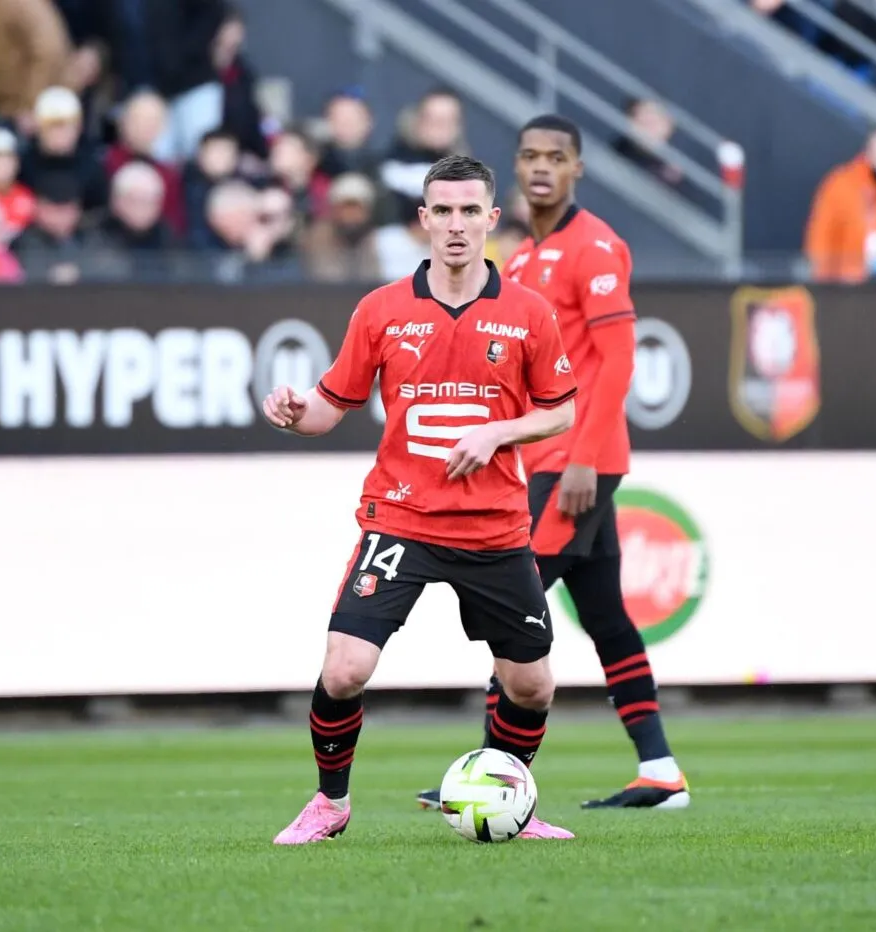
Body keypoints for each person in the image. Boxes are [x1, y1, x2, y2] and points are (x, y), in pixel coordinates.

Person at [264, 155, 579, 845]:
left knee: (531, 687)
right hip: (400, 519)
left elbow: (561, 411)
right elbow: (328, 406)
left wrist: (500, 430)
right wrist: (294, 412)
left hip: (494, 527)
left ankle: (511, 803)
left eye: (472, 211)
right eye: (444, 211)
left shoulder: (529, 313)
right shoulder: (381, 310)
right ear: (423, 220)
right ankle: (329, 803)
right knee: (345, 667)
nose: (458, 225)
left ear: (493, 219)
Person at [416, 115, 690, 812]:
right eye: (530, 156)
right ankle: (660, 771)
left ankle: (494, 771)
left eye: (556, 157)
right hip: (543, 459)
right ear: (516, 168)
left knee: (514, 607)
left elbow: (619, 359)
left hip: (576, 465)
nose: (542, 167)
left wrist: (586, 461)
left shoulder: (595, 247)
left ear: (578, 169)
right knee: (606, 616)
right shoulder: (526, 256)